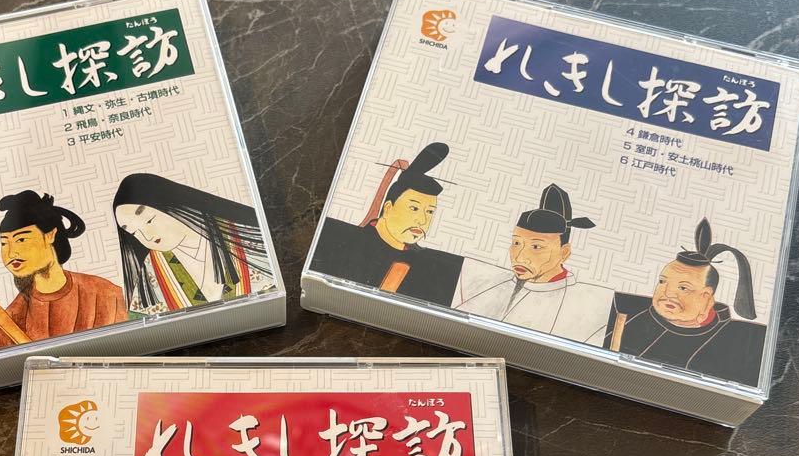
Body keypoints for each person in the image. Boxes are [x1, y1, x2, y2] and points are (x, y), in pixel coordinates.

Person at [604, 217, 766, 386]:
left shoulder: (740, 340)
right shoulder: (626, 311)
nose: (668, 293)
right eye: (662, 281)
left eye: (683, 288)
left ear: (707, 297)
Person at [307, 142, 465, 307]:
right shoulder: (336, 234)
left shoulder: (435, 267)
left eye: (430, 211)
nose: (423, 220)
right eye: (414, 208)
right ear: (388, 207)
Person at [455, 183, 612, 344]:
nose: (520, 257)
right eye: (516, 243)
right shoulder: (487, 282)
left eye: (536, 247)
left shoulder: (589, 305)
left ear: (564, 253)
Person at [0, 191, 125, 351]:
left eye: (21, 239)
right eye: (4, 243)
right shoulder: (10, 320)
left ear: (50, 235)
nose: (11, 253)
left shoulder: (106, 295)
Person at [112, 173, 275, 316]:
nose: (147, 237)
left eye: (149, 220)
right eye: (134, 233)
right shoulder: (150, 272)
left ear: (169, 202)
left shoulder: (240, 234)